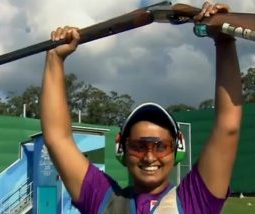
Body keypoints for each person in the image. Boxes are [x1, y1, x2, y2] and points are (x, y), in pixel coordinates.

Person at [40, 1, 242, 213]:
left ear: (177, 148)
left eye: (160, 146)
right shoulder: (103, 199)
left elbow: (228, 127)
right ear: (122, 149)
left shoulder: (195, 200)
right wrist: (55, 58)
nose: (149, 157)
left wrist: (224, 40)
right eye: (138, 146)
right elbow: (56, 138)